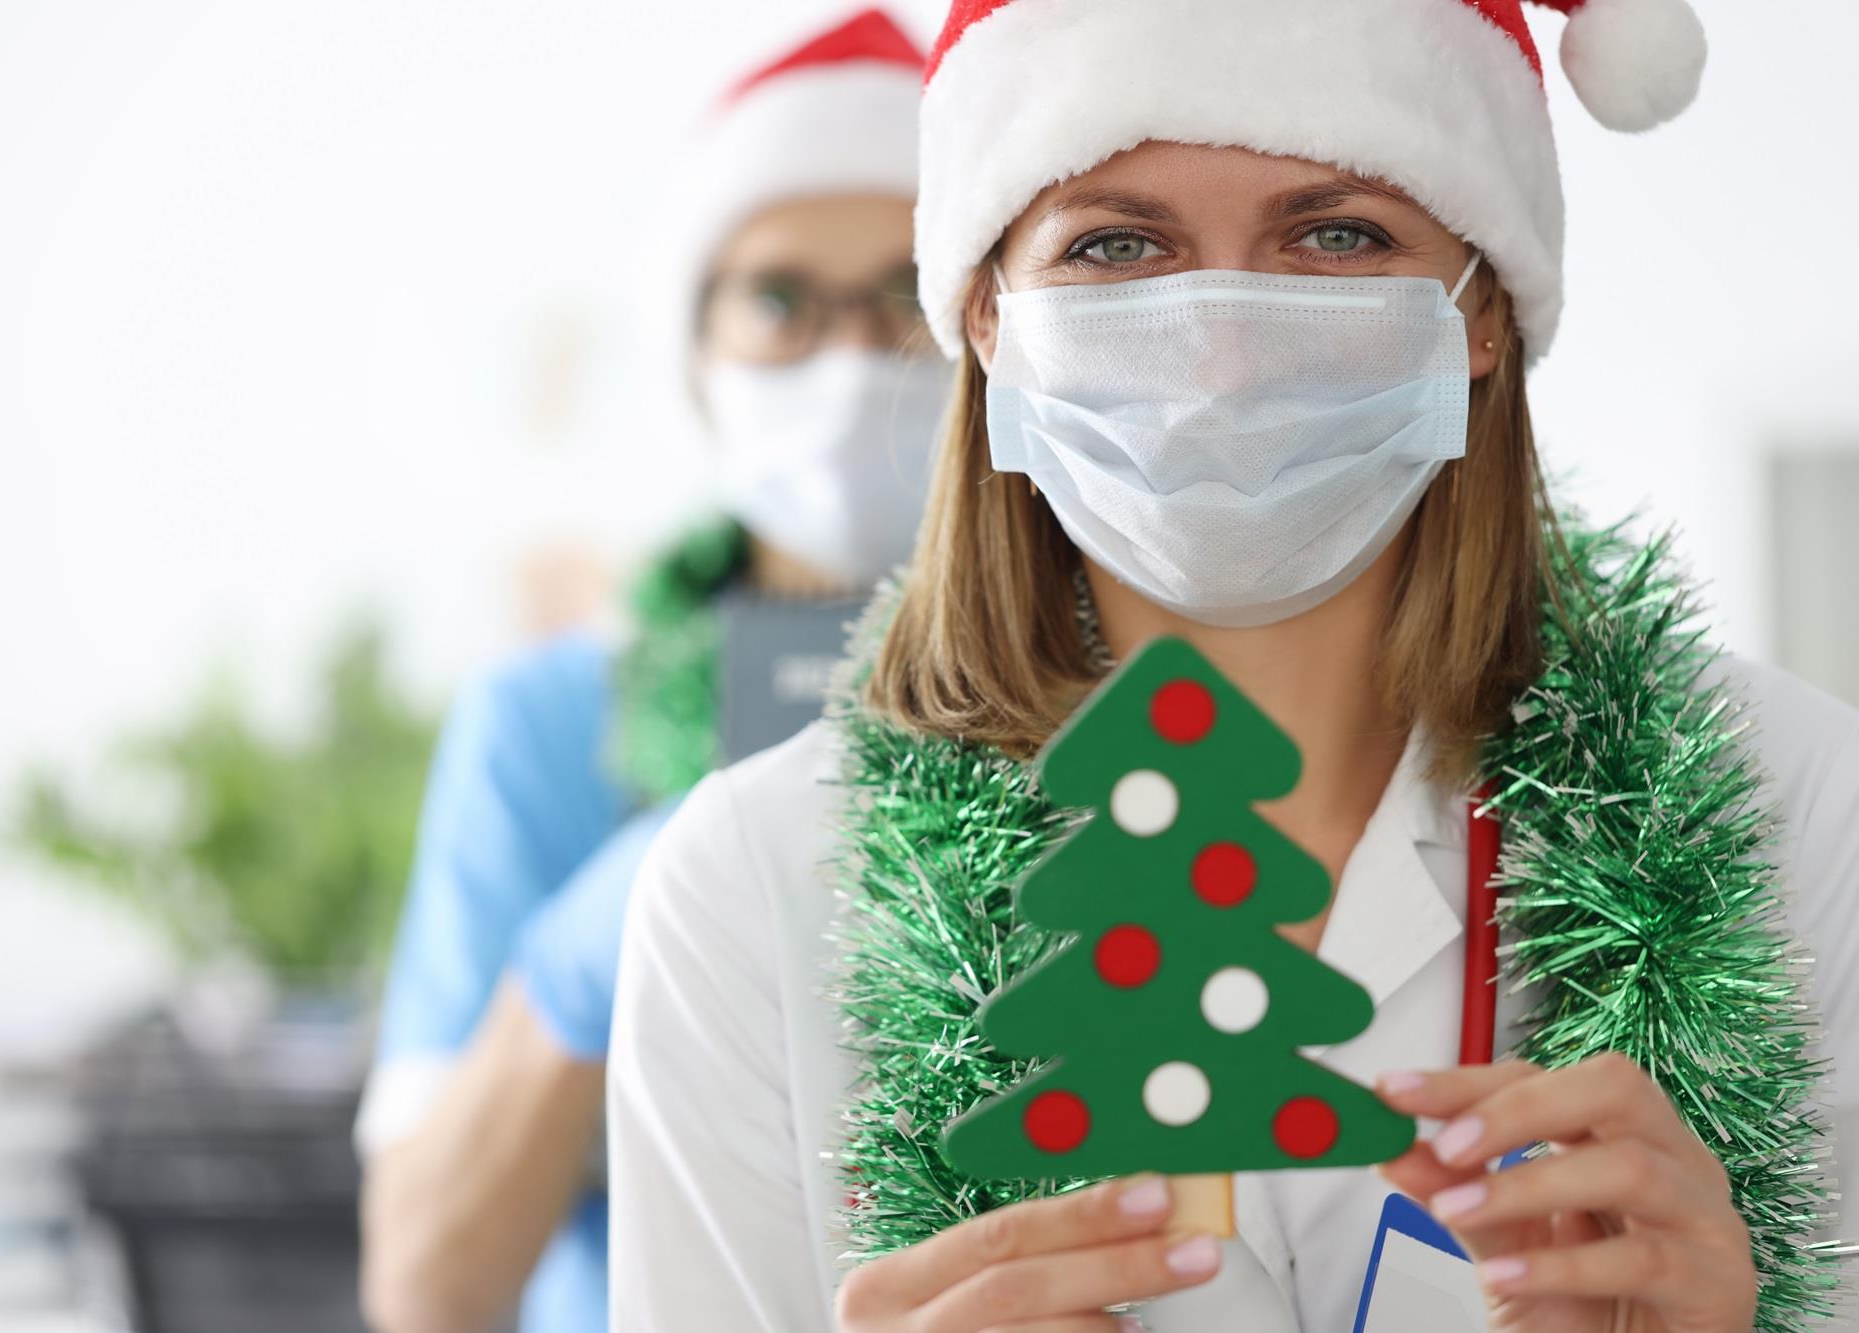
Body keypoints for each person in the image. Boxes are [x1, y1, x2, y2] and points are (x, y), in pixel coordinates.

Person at [607, 1, 1859, 1330]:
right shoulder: (753, 886)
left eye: (1336, 232)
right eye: (1115, 243)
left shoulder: (1793, 810)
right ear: (986, 318)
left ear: (1483, 305)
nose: (1218, 352)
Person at [355, 12, 945, 1333]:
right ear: (696, 344)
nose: (851, 354)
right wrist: (595, 936)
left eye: (907, 291)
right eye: (781, 299)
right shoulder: (548, 725)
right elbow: (426, 1289)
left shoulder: (1120, 696)